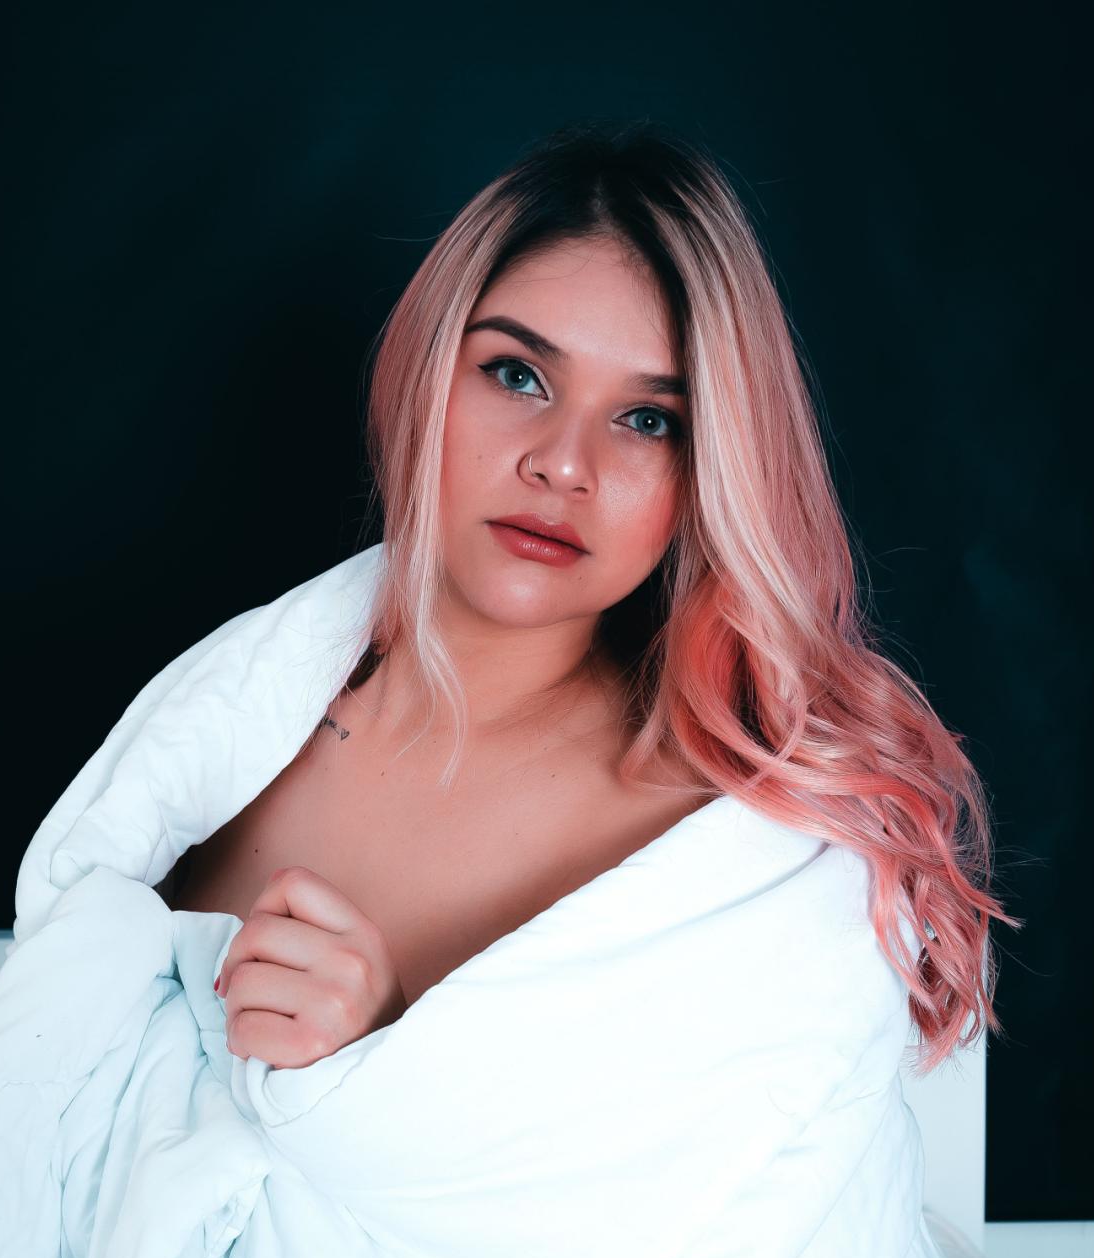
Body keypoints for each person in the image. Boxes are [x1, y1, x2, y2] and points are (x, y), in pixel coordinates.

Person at [164, 118, 1013, 1082]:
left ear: (710, 471)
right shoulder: (227, 723)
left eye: (648, 420)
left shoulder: (712, 846)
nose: (564, 465)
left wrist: (386, 1066)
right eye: (518, 375)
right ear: (423, 374)